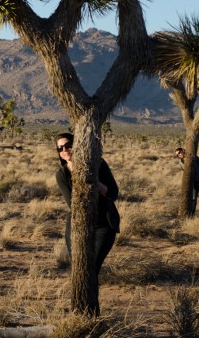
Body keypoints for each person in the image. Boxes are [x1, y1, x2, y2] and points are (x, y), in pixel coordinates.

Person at [55, 132, 120, 314]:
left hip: (103, 224)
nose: (65, 150)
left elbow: (114, 193)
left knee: (91, 269)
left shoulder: (98, 163)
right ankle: (82, 313)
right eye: (60, 148)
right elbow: (72, 204)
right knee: (79, 268)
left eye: (68, 145)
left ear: (77, 145)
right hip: (77, 223)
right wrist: (77, 173)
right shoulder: (61, 174)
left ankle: (90, 315)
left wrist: (93, 180)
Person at [175, 147, 199, 214]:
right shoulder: (180, 161)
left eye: (179, 153)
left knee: (193, 197)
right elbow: (184, 170)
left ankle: (192, 212)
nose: (179, 155)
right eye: (177, 155)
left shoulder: (193, 157)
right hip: (188, 181)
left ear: (182, 150)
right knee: (187, 195)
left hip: (197, 180)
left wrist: (198, 174)